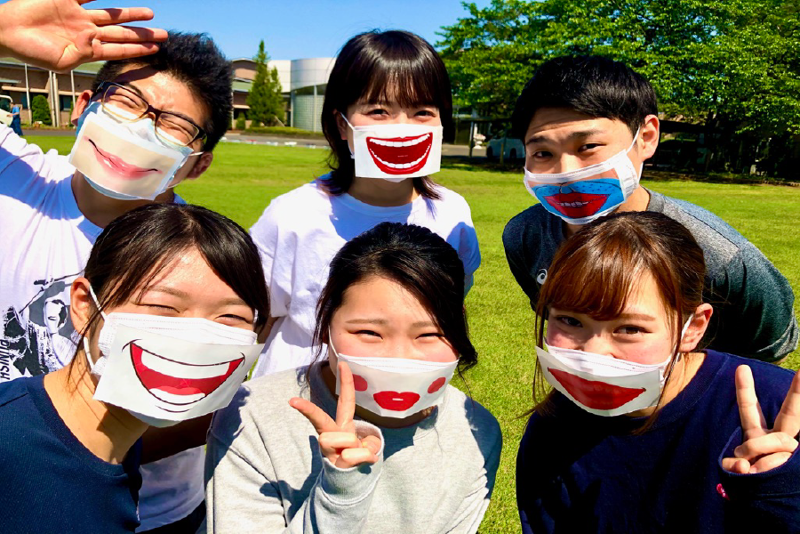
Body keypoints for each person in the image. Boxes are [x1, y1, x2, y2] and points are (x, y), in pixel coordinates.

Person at [0, 1, 234, 531]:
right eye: (126, 101)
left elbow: (204, 406)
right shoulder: (14, 177)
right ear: (84, 105)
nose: (141, 129)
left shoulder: (206, 262)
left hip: (148, 512)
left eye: (174, 125)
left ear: (197, 164)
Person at [206, 222, 502, 533]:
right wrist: (341, 494)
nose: (398, 358)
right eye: (369, 332)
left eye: (429, 334)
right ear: (325, 324)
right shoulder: (252, 416)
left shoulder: (476, 433)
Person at [516, 211, 800, 532]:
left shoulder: (777, 414)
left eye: (630, 329)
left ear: (692, 328)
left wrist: (784, 496)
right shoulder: (552, 430)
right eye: (569, 321)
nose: (592, 353)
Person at [502, 55, 798, 363]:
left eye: (588, 147)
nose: (566, 173)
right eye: (543, 153)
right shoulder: (525, 236)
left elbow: (772, 343)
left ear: (646, 137)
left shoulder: (719, 254)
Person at [0, 203, 270, 533]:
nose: (197, 340)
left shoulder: (114, 450)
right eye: (162, 306)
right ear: (84, 305)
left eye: (231, 316)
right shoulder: (10, 444)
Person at [249, 30, 481, 378]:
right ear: (341, 124)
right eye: (378, 110)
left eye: (422, 112)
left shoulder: (453, 213)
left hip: (403, 394)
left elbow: (447, 311)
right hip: (295, 394)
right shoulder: (292, 215)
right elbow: (256, 317)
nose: (401, 128)